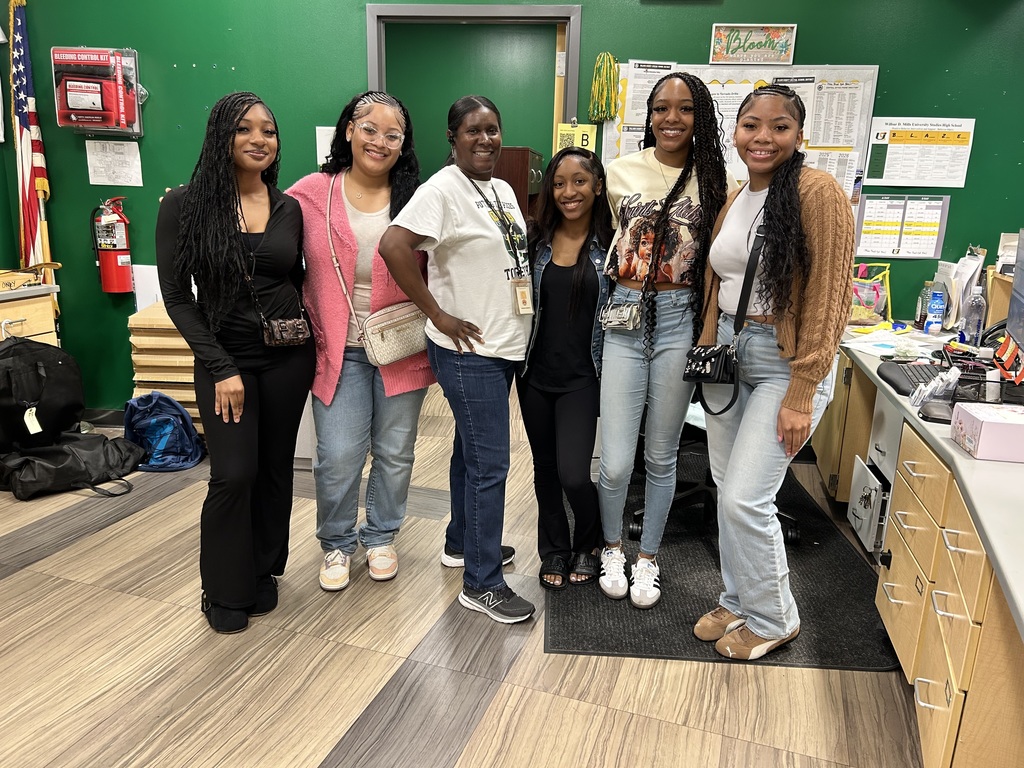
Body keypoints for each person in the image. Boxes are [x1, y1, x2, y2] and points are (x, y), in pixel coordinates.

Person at [694, 84, 855, 660]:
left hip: (785, 363)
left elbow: (829, 298)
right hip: (731, 357)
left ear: (798, 134)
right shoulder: (738, 195)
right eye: (751, 125)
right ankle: (738, 597)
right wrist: (709, 345)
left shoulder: (819, 193)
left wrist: (802, 392)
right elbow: (719, 282)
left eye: (779, 126)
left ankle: (774, 617)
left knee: (746, 497)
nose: (763, 137)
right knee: (724, 486)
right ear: (735, 131)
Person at [156, 92, 315, 634]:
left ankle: (263, 572)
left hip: (289, 359)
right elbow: (178, 296)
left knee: (274, 470)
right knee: (233, 474)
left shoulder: (288, 206)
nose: (258, 140)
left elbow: (295, 280)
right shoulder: (182, 205)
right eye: (244, 129)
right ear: (220, 135)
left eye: (268, 131)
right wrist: (221, 367)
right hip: (226, 361)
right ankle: (223, 587)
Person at [379, 95, 533, 624]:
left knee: (471, 456)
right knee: (491, 465)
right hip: (470, 352)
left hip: (502, 346)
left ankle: (462, 545)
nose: (486, 139)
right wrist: (437, 313)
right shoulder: (442, 188)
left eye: (493, 129)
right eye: (474, 131)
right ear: (453, 138)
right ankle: (482, 583)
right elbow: (393, 245)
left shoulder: (502, 187)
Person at [286, 92, 435, 592]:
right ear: (349, 129)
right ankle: (336, 543)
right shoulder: (312, 192)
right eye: (370, 129)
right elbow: (261, 226)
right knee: (339, 454)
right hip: (339, 348)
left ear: (403, 144)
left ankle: (381, 536)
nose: (380, 142)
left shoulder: (419, 196)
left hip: (402, 346)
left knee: (395, 451)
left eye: (393, 135)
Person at [598, 72, 733, 609]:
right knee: (612, 461)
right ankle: (613, 546)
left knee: (661, 455)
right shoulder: (620, 171)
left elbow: (715, 267)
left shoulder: (718, 178)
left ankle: (648, 558)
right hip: (626, 316)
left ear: (700, 117)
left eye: (683, 109)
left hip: (680, 318)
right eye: (660, 108)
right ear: (648, 115)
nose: (670, 119)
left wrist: (704, 330)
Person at [518, 147, 613, 590]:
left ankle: (590, 543)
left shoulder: (612, 243)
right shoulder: (535, 240)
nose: (568, 191)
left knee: (575, 472)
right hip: (535, 375)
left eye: (579, 181)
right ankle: (554, 548)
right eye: (559, 183)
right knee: (545, 470)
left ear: (597, 185)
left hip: (584, 376)